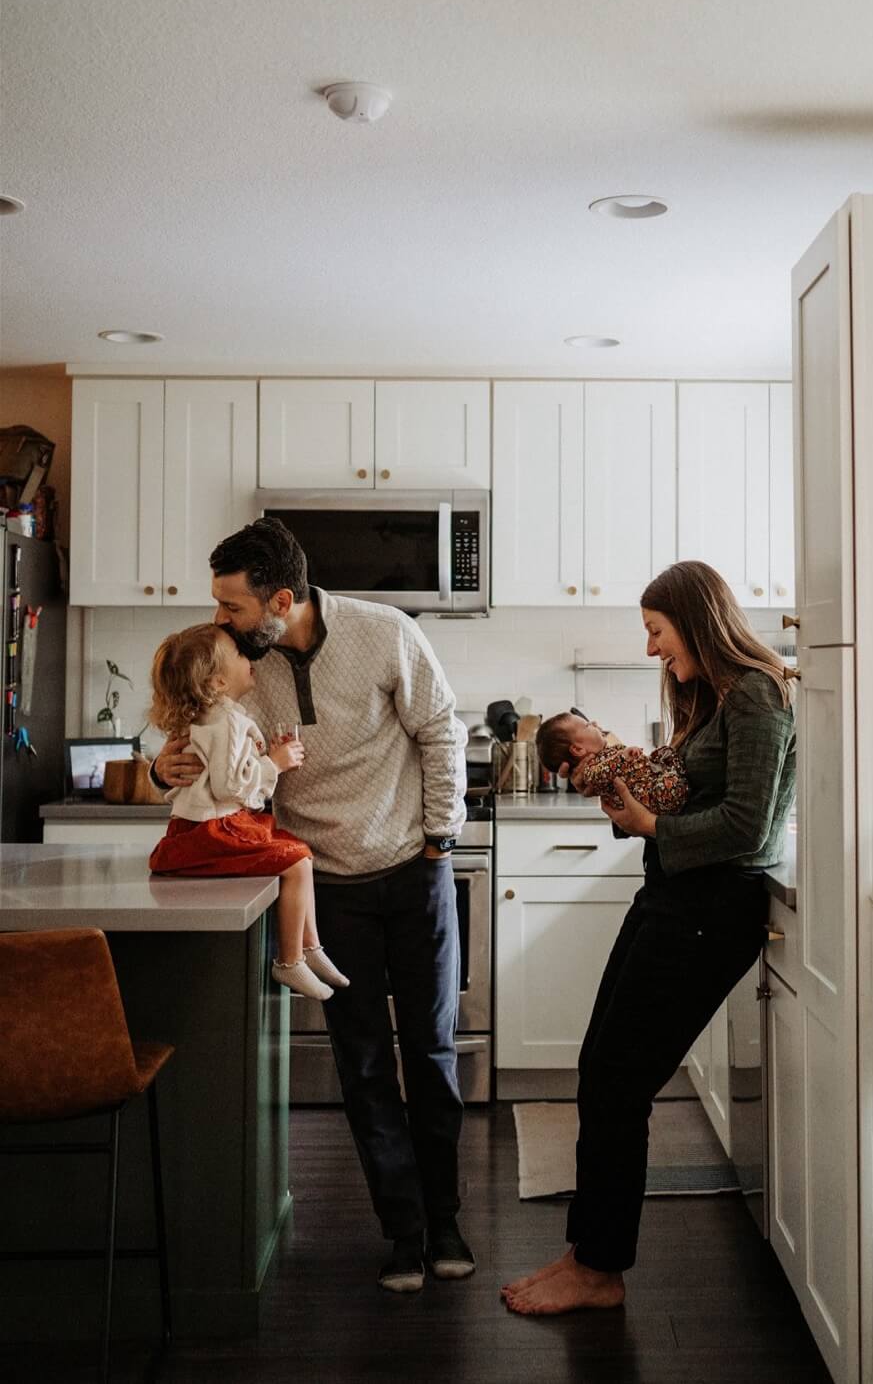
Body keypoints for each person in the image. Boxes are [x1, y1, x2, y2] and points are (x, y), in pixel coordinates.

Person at [152, 518, 471, 1293]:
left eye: (232, 606)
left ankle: (447, 1216)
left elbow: (441, 731)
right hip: (325, 887)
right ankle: (402, 1229)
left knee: (429, 1053)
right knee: (363, 1067)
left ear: (281, 599)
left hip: (412, 870)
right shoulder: (238, 669)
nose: (221, 620)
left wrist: (440, 835)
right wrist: (165, 770)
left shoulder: (384, 633)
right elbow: (197, 757)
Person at [502, 560, 797, 1316]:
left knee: (618, 1078)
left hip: (712, 908)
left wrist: (650, 825)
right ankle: (587, 1252)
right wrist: (629, 799)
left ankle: (599, 1269)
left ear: (697, 621)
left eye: (656, 632)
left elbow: (748, 827)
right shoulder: (711, 697)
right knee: (600, 1066)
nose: (650, 649)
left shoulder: (759, 694)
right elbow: (685, 788)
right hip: (672, 894)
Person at [145, 622, 345, 1001]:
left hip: (193, 826)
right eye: (239, 654)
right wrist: (274, 763)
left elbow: (223, 770)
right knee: (298, 859)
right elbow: (230, 787)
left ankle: (310, 949)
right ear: (218, 682)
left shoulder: (207, 716)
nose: (249, 657)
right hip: (215, 828)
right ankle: (291, 961)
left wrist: (260, 755)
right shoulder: (228, 719)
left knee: (292, 849)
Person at [535, 710, 690, 815]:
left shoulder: (606, 753)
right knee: (671, 785)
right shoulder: (591, 770)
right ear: (578, 749)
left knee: (664, 753)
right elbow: (603, 771)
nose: (594, 723)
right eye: (588, 725)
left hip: (649, 782)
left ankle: (676, 774)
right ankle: (679, 781)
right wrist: (622, 757)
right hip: (650, 795)